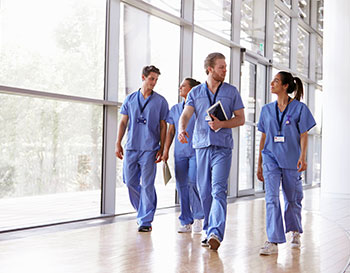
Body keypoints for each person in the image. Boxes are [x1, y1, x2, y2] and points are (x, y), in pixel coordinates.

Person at [178, 52, 245, 250]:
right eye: (221, 67)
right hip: (201, 147)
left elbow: (240, 118)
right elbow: (186, 115)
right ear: (210, 69)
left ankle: (216, 231)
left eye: (225, 67)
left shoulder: (231, 92)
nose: (225, 70)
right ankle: (209, 230)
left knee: (218, 190)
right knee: (204, 191)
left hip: (222, 147)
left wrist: (222, 124)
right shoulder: (195, 92)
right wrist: (182, 129)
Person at [257, 71, 316, 255]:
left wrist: (302, 157)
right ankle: (273, 240)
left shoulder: (299, 108)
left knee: (292, 199)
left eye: (276, 81)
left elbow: (304, 134)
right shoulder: (266, 110)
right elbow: (264, 136)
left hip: (291, 159)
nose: (271, 83)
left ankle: (295, 230)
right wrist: (259, 162)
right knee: (271, 198)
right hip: (270, 158)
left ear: (285, 86)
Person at [115, 65, 169, 232]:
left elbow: (163, 126)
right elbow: (123, 122)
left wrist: (161, 147)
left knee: (147, 184)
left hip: (150, 148)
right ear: (143, 77)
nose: (154, 83)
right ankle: (142, 211)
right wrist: (118, 142)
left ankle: (145, 220)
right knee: (130, 181)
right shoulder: (130, 99)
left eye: (156, 80)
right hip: (131, 147)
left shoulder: (160, 101)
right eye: (151, 79)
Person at [162, 78, 204, 234]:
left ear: (192, 89)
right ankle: (186, 220)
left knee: (193, 182)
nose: (180, 87)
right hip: (179, 153)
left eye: (184, 85)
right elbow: (171, 131)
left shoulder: (199, 108)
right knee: (181, 186)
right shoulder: (175, 109)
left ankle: (199, 217)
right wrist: (165, 150)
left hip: (195, 151)